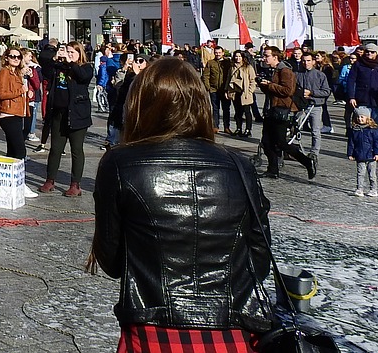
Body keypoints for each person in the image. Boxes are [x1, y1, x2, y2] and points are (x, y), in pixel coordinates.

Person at [89, 57, 274, 350]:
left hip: (153, 328)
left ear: (140, 106)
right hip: (230, 330)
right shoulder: (240, 166)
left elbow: (111, 261)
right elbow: (259, 258)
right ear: (201, 104)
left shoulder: (121, 162)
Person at [39, 41, 94, 197]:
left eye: (72, 52)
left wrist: (72, 63)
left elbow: (83, 77)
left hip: (77, 115)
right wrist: (55, 56)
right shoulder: (59, 67)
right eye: (67, 51)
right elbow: (45, 65)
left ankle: (75, 184)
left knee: (76, 150)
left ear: (79, 54)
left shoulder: (86, 67)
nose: (68, 55)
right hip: (59, 114)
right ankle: (50, 180)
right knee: (55, 149)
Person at [256, 47, 315, 180]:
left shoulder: (285, 71)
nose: (264, 58)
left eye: (267, 56)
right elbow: (272, 92)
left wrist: (269, 84)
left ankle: (306, 161)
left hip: (282, 110)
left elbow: (288, 91)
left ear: (275, 57)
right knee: (266, 142)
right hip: (272, 109)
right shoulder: (273, 70)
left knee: (280, 142)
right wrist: (263, 84)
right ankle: (272, 170)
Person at [293, 51, 332, 158]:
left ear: (313, 62)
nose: (306, 63)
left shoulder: (320, 75)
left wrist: (312, 93)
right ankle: (295, 150)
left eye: (309, 61)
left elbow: (326, 91)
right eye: (304, 61)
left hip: (315, 106)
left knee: (315, 131)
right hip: (301, 106)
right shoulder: (297, 74)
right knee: (295, 127)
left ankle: (314, 153)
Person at [0, 48, 31, 160]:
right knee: (20, 150)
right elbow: (2, 94)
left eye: (18, 57)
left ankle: (11, 175)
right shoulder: (4, 72)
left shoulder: (16, 73)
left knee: (13, 150)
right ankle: (18, 174)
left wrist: (26, 92)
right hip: (8, 114)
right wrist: (21, 91)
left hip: (17, 113)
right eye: (12, 56)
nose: (16, 59)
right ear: (6, 58)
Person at [348, 105, 378, 197]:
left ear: (367, 118)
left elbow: (377, 142)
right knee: (360, 173)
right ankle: (360, 189)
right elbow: (351, 143)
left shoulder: (373, 130)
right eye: (358, 117)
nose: (360, 119)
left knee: (372, 174)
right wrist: (350, 153)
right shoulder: (354, 130)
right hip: (359, 155)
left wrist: (377, 153)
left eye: (362, 117)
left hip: (371, 155)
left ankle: (373, 189)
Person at [228, 51, 258, 137]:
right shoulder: (232, 67)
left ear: (243, 57)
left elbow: (253, 80)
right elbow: (228, 79)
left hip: (245, 93)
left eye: (239, 56)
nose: (238, 58)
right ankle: (239, 128)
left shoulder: (248, 67)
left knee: (247, 111)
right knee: (238, 112)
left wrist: (250, 91)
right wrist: (228, 90)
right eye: (236, 56)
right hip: (235, 92)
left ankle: (248, 130)